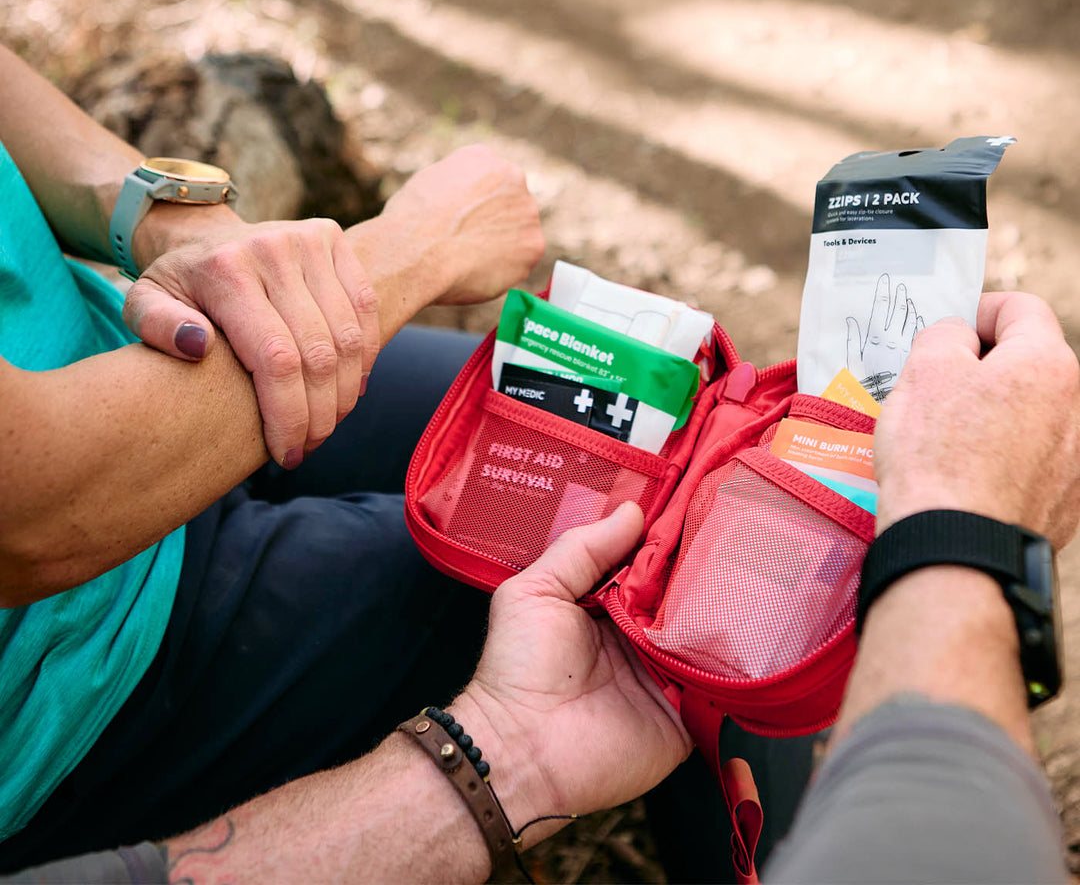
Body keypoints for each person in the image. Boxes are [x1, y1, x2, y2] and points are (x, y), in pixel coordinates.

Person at [4, 284, 1077, 884]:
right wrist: (959, 529)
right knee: (725, 594)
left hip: (115, 344)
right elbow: (41, 501)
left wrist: (146, 206)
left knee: (689, 521)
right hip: (85, 652)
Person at [0, 42, 546, 869]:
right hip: (74, 667)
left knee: (638, 436)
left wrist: (168, 218)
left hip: (129, 353)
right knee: (630, 541)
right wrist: (412, 249)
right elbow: (35, 511)